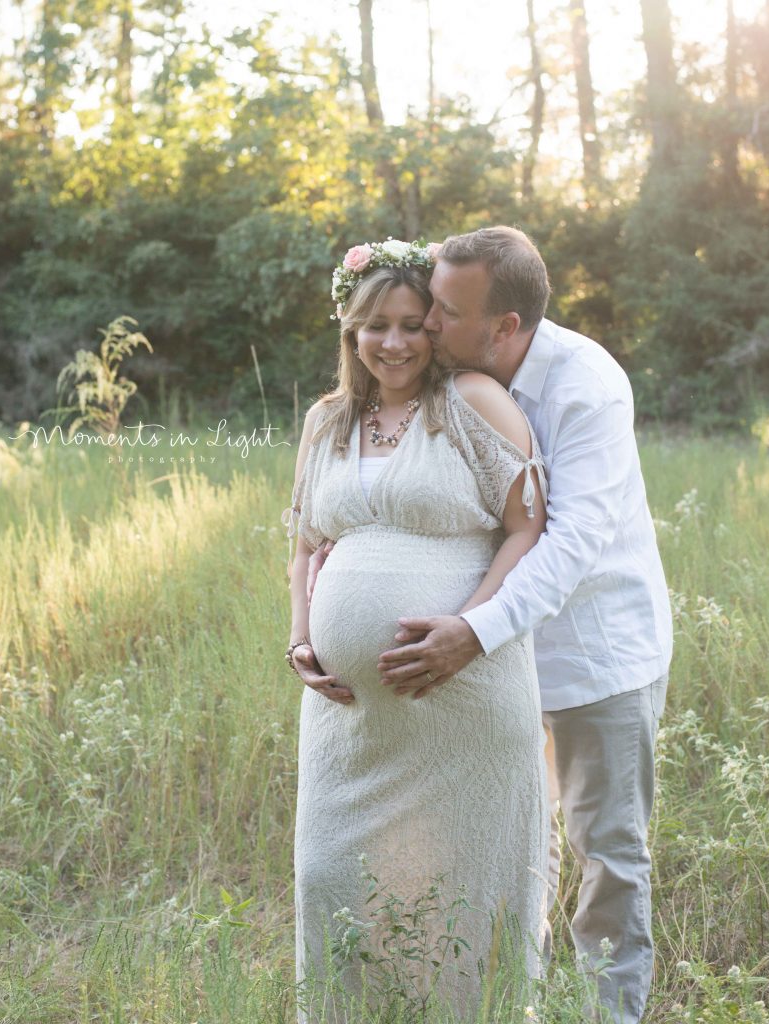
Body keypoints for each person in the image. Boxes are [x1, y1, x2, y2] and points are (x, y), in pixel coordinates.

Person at [356, 226, 672, 1024]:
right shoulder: (444, 377)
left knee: (609, 855)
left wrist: (474, 630)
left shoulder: (584, 385)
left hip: (595, 657)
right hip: (492, 665)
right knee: (504, 847)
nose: (425, 323)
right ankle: (505, 1007)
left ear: (507, 327)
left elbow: (572, 541)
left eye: (444, 311)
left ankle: (611, 1016)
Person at [283, 238, 550, 1023]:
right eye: (375, 326)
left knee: (462, 891)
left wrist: (470, 626)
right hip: (349, 720)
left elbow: (526, 528)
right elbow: (302, 543)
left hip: (465, 694)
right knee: (334, 880)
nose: (394, 343)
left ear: (434, 329)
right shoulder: (327, 420)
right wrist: (302, 639)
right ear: (349, 331)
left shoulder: (469, 400)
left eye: (411, 324)